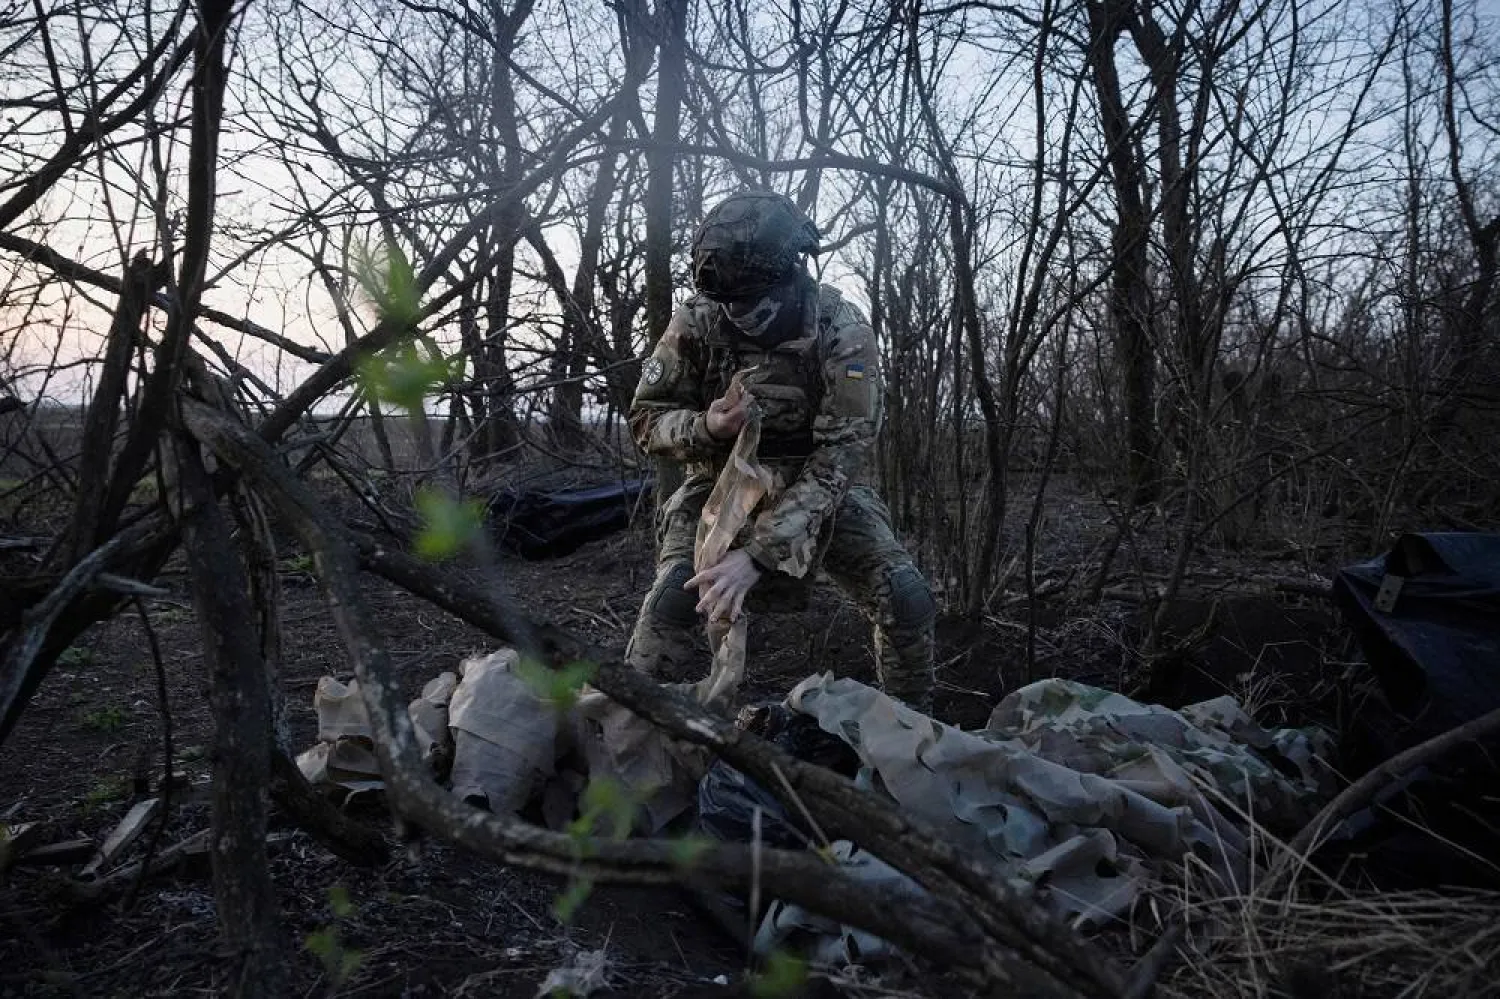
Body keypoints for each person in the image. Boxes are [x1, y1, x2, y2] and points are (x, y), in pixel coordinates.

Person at [624, 190, 937, 712]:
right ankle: (630, 731)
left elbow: (841, 458)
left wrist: (760, 555)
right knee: (672, 601)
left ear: (789, 275)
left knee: (906, 598)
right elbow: (645, 418)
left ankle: (910, 736)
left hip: (818, 485)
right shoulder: (699, 320)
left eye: (750, 303)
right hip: (720, 482)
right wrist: (708, 426)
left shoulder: (842, 330)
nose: (739, 317)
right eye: (730, 305)